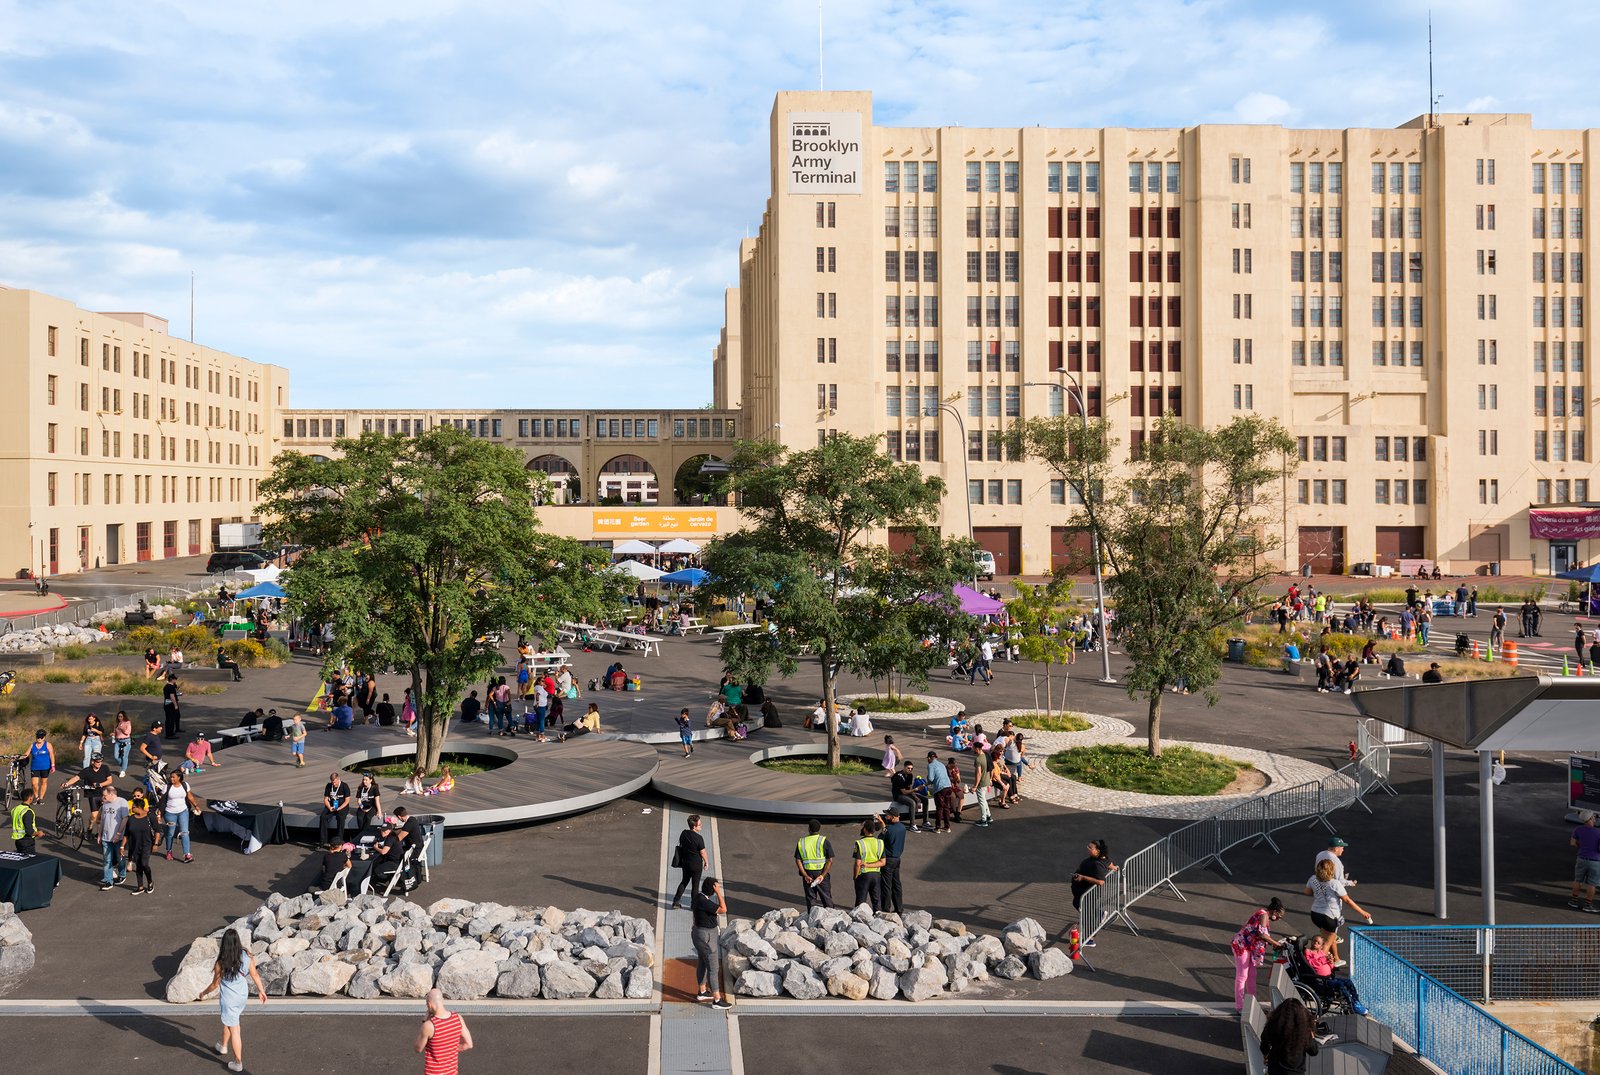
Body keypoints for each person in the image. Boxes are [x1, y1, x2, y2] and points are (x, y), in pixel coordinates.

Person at [198, 929, 267, 1074]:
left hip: (229, 999)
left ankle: (238, 1062)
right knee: (230, 1021)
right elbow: (254, 974)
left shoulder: (221, 962)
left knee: (235, 1028)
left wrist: (203, 993)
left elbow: (215, 984)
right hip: (241, 995)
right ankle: (223, 1045)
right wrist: (261, 991)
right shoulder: (246, 954)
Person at [1306, 858, 1372, 966]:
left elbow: (1307, 892)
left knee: (1326, 938)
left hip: (1315, 914)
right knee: (1328, 942)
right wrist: (1362, 912)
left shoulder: (1313, 879)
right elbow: (1347, 900)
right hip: (1329, 916)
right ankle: (1317, 965)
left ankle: (1335, 960)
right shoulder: (1334, 883)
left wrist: (1319, 892)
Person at [1230, 897, 1287, 1011]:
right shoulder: (1264, 915)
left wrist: (1273, 943)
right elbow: (1262, 934)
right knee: (1242, 976)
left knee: (1252, 975)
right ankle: (1240, 1006)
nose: (1278, 919)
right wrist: (1276, 944)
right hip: (1241, 946)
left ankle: (1253, 1002)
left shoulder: (1264, 915)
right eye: (1279, 917)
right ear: (1274, 912)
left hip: (1249, 946)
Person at [1303, 934, 1370, 1015]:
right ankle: (1351, 1005)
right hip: (1321, 980)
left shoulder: (1321, 953)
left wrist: (1330, 962)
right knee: (1340, 985)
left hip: (1329, 977)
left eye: (1318, 942)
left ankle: (1356, 1002)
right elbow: (1311, 963)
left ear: (1321, 946)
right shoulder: (1308, 952)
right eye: (1314, 941)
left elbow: (1330, 967)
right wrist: (1324, 960)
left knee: (1348, 982)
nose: (1315, 943)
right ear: (1311, 942)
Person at [416, 987, 473, 1074]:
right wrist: (449, 1052)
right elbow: (469, 1044)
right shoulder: (458, 1018)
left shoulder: (429, 1025)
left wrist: (424, 1020)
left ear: (429, 1004)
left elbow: (418, 1048)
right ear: (442, 1000)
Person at [1070, 840, 1118, 945]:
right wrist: (1114, 868)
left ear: (1097, 851)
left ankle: (1090, 939)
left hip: (1087, 894)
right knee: (1081, 907)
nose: (1088, 848)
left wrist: (1082, 877)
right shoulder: (1102, 859)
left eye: (1090, 847)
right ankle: (1099, 914)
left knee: (1087, 915)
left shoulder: (1098, 864)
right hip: (1082, 892)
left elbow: (1100, 882)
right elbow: (1110, 864)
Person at [1260, 997, 1319, 1075]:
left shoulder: (1273, 1025)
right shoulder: (1303, 1031)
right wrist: (1312, 1035)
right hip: (1296, 1072)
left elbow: (1264, 1047)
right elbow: (1314, 1051)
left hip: (1275, 1069)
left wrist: (1266, 1054)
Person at [61, 752, 115, 828]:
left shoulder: (105, 768)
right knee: (94, 816)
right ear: (92, 762)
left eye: (101, 761)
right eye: (97, 762)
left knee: (104, 815)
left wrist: (100, 784)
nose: (100, 763)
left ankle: (99, 833)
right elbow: (76, 778)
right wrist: (67, 784)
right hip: (93, 795)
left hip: (104, 795)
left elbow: (110, 780)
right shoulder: (87, 771)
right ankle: (90, 827)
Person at [161, 768, 201, 863]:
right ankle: (169, 851)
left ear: (179, 777)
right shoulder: (167, 787)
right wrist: (159, 813)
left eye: (173, 777)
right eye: (171, 777)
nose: (171, 779)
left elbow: (189, 796)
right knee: (170, 833)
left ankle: (187, 854)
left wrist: (196, 805)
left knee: (185, 832)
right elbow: (162, 801)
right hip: (170, 813)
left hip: (183, 811)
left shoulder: (185, 785)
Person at [795, 819, 833, 908]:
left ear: (809, 829)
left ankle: (812, 919)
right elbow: (830, 861)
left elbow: (798, 860)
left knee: (811, 899)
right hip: (821, 872)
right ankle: (831, 918)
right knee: (826, 898)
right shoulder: (824, 841)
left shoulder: (802, 842)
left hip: (808, 873)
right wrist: (822, 876)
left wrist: (805, 875)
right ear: (819, 829)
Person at [671, 814, 707, 910]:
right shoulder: (699, 838)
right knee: (695, 886)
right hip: (696, 865)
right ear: (694, 826)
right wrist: (706, 862)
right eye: (700, 824)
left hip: (686, 863)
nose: (701, 825)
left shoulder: (684, 833)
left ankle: (676, 901)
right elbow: (703, 852)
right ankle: (693, 905)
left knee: (684, 882)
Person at [97, 783, 129, 890]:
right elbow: (102, 820)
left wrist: (119, 833)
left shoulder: (122, 802)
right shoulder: (105, 804)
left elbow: (125, 818)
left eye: (105, 795)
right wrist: (99, 834)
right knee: (107, 859)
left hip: (118, 838)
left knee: (120, 858)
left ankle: (122, 874)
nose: (103, 797)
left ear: (111, 794)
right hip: (106, 837)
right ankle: (108, 881)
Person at [1568, 810, 1600, 913]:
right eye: (1594, 817)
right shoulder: (1598, 832)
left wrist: (1582, 847)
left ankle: (1574, 901)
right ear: (1590, 819)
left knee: (1578, 880)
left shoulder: (1578, 829)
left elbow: (1572, 843)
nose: (1595, 819)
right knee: (1592, 884)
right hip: (1595, 861)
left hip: (1581, 858)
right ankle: (1587, 905)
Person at [123, 795, 156, 894]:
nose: (131, 808)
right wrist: (122, 846)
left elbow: (158, 830)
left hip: (147, 844)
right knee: (139, 866)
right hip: (134, 845)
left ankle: (150, 882)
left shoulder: (150, 817)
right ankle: (140, 886)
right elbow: (126, 834)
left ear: (139, 807)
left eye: (133, 806)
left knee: (144, 864)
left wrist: (156, 844)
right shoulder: (131, 819)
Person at [852, 817, 886, 910]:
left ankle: (858, 921)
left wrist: (855, 876)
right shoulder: (880, 843)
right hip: (876, 875)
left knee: (860, 902)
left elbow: (857, 863)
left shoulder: (859, 843)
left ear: (865, 829)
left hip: (863, 875)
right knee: (876, 901)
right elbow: (883, 862)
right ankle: (878, 919)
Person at [880, 806, 908, 914]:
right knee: (897, 885)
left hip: (888, 860)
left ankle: (885, 909)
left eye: (888, 815)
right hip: (897, 859)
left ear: (893, 816)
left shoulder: (889, 829)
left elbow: (880, 840)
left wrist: (883, 827)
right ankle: (899, 908)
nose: (886, 816)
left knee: (886, 886)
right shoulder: (902, 827)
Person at [890, 760, 929, 831]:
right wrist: (915, 790)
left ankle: (925, 822)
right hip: (898, 795)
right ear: (904, 767)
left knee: (925, 800)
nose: (910, 770)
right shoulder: (899, 777)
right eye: (908, 768)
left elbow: (910, 787)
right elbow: (904, 792)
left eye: (911, 768)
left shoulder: (910, 775)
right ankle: (912, 825)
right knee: (912, 803)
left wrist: (915, 797)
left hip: (907, 793)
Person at [320, 771, 352, 845]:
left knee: (341, 819)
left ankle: (339, 842)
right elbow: (325, 799)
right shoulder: (328, 786)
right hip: (331, 806)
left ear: (338, 779)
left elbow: (347, 800)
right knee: (323, 817)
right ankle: (323, 841)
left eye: (335, 782)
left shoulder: (344, 786)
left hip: (342, 806)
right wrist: (329, 807)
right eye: (332, 782)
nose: (334, 784)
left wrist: (340, 808)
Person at [926, 752, 954, 833]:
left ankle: (937, 828)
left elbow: (931, 779)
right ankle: (947, 827)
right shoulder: (941, 764)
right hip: (948, 787)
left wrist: (925, 784)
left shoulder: (930, 765)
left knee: (939, 807)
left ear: (929, 758)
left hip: (940, 788)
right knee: (946, 807)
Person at [9, 789, 42, 855]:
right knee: (29, 861)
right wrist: (38, 833)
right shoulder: (27, 811)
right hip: (26, 841)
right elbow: (29, 831)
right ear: (30, 798)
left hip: (18, 840)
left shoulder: (15, 809)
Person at [26, 728, 54, 802]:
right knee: (34, 783)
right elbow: (26, 754)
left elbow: (51, 755)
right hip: (35, 767)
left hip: (45, 767)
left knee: (43, 782)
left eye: (41, 737)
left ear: (44, 737)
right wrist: (18, 757)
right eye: (38, 737)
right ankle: (36, 796)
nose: (39, 738)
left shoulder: (48, 745)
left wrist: (53, 765)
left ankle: (41, 798)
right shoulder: (32, 745)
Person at [110, 709, 133, 776]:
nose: (119, 718)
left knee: (124, 756)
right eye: (118, 716)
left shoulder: (127, 723)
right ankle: (123, 766)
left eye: (121, 716)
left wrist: (122, 729)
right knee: (116, 756)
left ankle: (123, 770)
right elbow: (115, 732)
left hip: (126, 741)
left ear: (124, 716)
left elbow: (127, 733)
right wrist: (113, 734)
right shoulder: (117, 724)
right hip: (118, 741)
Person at [162, 673, 183, 739]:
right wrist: (175, 705)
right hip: (171, 704)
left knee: (171, 718)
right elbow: (172, 697)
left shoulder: (167, 686)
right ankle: (169, 734)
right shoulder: (170, 687)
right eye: (174, 679)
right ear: (171, 679)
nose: (175, 680)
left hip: (167, 703)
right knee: (170, 719)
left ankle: (171, 732)